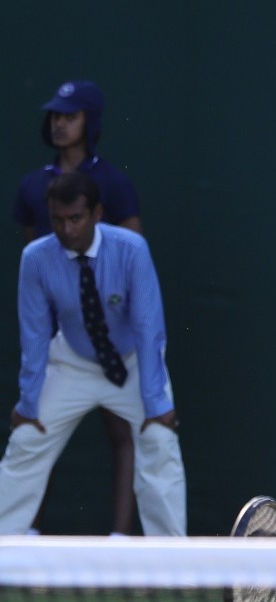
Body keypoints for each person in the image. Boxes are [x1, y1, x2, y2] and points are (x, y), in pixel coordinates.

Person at [0, 172, 186, 537]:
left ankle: (171, 563)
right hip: (71, 363)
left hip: (133, 365)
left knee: (159, 441)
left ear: (97, 213)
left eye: (75, 218)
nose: (66, 229)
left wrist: (154, 401)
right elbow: (35, 335)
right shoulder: (36, 259)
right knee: (27, 439)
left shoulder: (132, 249)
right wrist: (29, 402)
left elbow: (149, 329)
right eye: (57, 219)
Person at [13, 79, 142, 535]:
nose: (61, 124)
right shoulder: (33, 187)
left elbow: (133, 253)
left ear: (91, 122)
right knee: (34, 436)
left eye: (71, 116)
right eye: (56, 117)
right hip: (61, 339)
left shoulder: (113, 182)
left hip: (116, 340)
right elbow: (40, 262)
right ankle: (22, 536)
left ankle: (121, 538)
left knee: (123, 434)